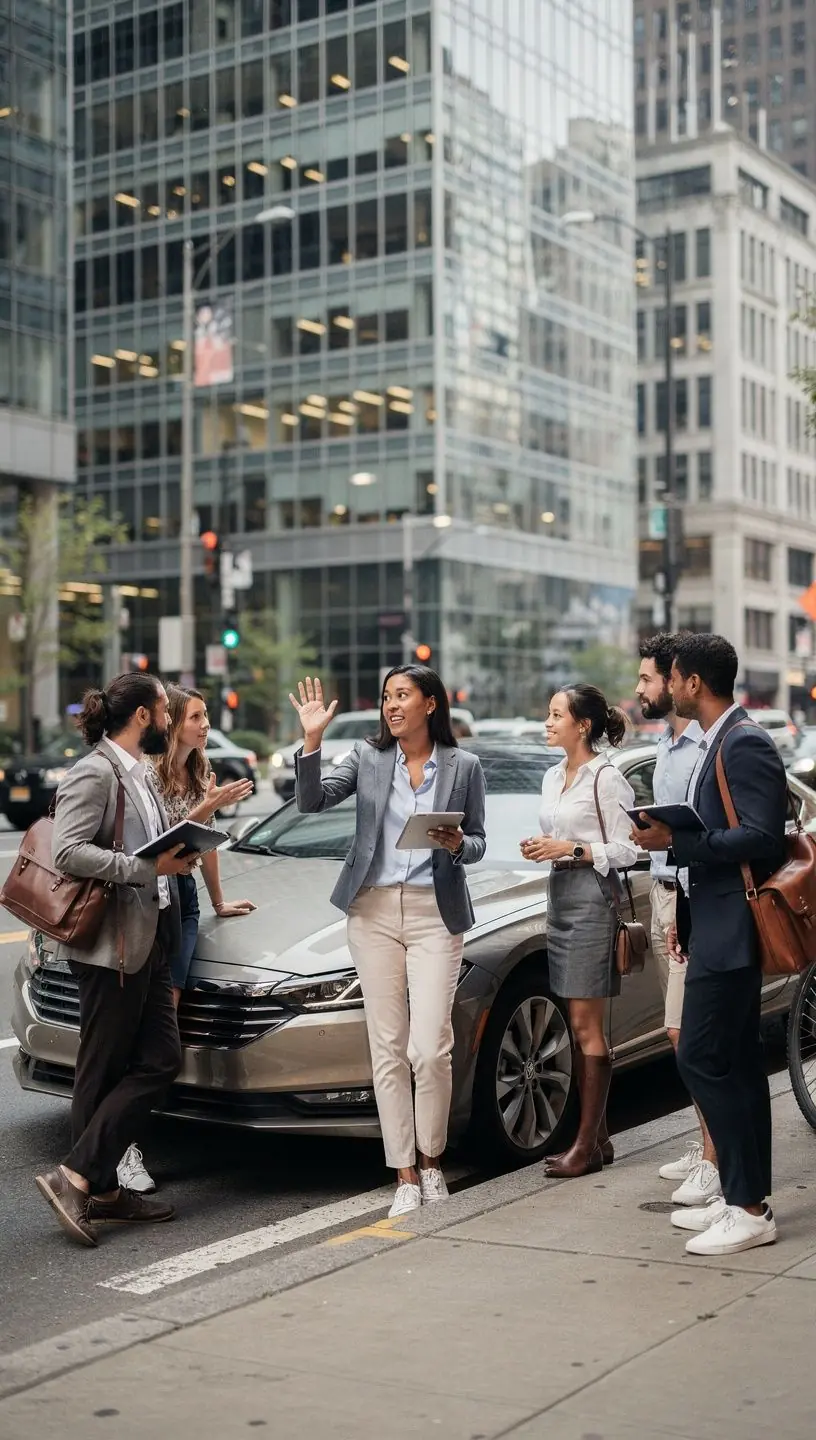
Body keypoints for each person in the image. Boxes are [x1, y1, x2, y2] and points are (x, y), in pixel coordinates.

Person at [291, 668, 486, 1219]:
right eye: (386, 697)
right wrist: (312, 740)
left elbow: (478, 842)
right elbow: (311, 801)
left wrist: (457, 843)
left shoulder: (464, 765)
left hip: (435, 913)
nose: (391, 706)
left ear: (430, 703)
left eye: (402, 696)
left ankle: (433, 1162)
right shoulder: (368, 757)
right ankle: (404, 1173)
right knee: (388, 1047)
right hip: (372, 911)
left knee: (431, 1048)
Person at [634, 633, 787, 1256]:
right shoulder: (717, 739)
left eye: (672, 678)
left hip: (736, 930)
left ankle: (749, 1208)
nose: (667, 687)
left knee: (701, 1056)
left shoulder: (743, 741)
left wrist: (677, 842)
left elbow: (762, 836)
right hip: (716, 924)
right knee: (739, 1064)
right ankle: (742, 1197)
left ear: (693, 683)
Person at [34, 674, 199, 1248]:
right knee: (102, 1067)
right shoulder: (95, 771)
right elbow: (69, 851)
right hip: (111, 945)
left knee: (160, 1060)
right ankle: (88, 1183)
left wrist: (181, 852)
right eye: (164, 711)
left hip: (149, 939)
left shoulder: (140, 773)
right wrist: (148, 868)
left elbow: (145, 846)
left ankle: (88, 1180)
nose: (169, 721)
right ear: (142, 716)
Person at [116, 684, 257, 1196]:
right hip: (148, 893)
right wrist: (206, 805)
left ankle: (139, 1127)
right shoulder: (149, 773)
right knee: (138, 1025)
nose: (206, 725)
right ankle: (122, 1144)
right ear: (171, 721)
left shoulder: (201, 770)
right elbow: (159, 845)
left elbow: (205, 845)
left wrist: (217, 900)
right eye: (197, 716)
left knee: (165, 1023)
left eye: (207, 715)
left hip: (185, 899)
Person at [521, 686, 638, 1179]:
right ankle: (600, 1140)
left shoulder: (606, 778)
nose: (547, 722)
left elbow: (629, 850)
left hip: (592, 897)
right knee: (575, 1020)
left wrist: (570, 849)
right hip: (560, 893)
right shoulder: (553, 775)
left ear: (583, 725)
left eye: (556, 715)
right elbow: (561, 838)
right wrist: (543, 847)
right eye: (547, 714)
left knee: (587, 1025)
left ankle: (585, 1147)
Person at [635, 633, 715, 1199]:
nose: (639, 688)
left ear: (675, 680)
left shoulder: (705, 747)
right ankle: (706, 1139)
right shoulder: (665, 746)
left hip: (692, 898)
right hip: (664, 893)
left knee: (686, 1031)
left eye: (646, 679)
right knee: (679, 1032)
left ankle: (716, 1154)